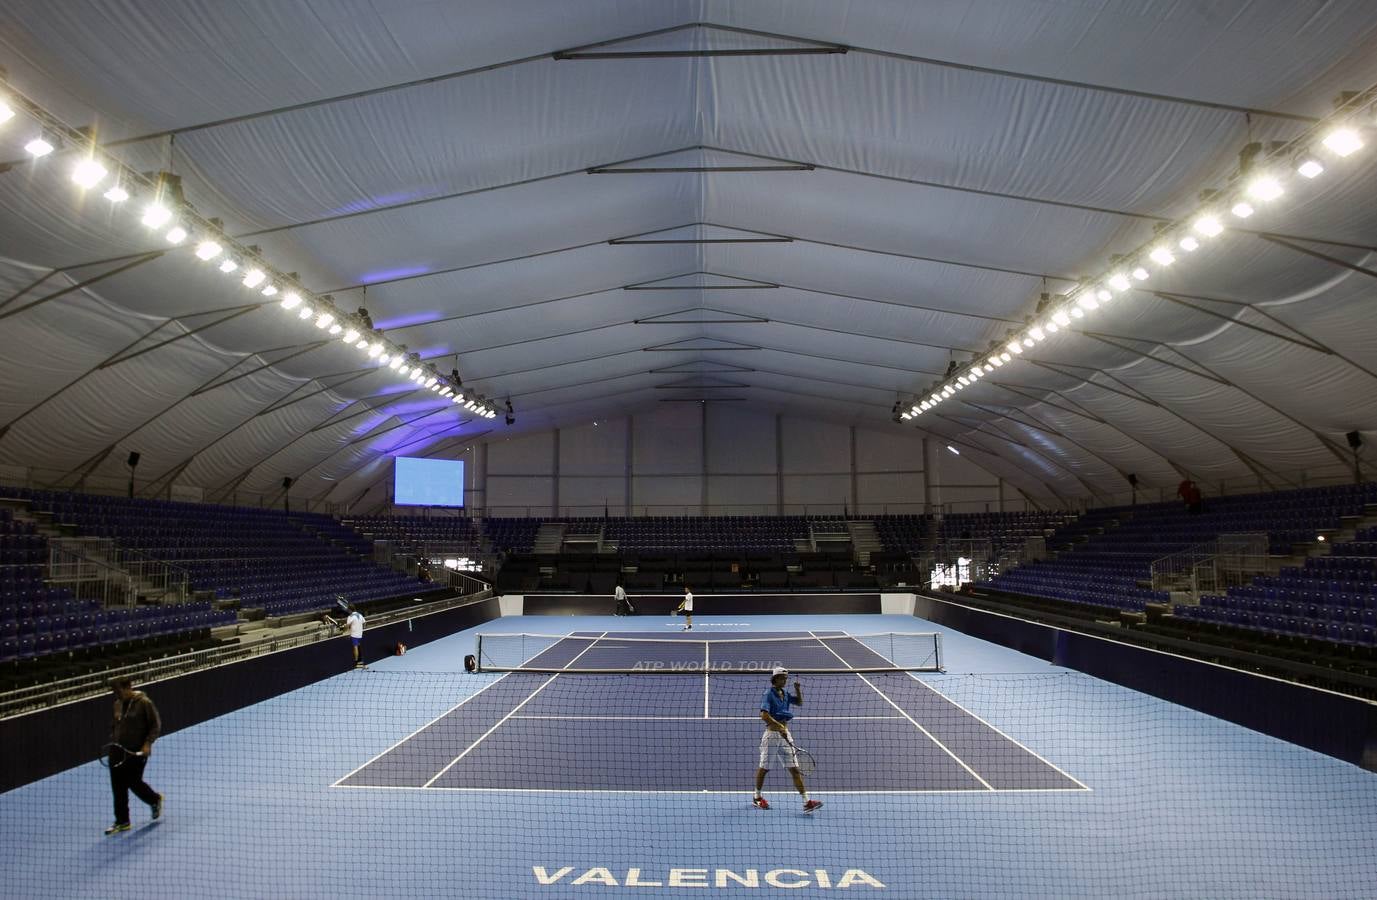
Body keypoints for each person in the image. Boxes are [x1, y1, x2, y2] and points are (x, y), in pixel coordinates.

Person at [753, 666, 822, 813]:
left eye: (785, 678)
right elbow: (764, 715)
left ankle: (806, 802)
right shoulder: (768, 694)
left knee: (795, 770)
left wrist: (797, 689)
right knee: (764, 769)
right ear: (775, 679)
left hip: (785, 736)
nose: (784, 681)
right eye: (782, 678)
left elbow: (799, 702)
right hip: (771, 736)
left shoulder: (785, 693)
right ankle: (757, 797)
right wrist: (779, 727)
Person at [105, 676, 163, 835]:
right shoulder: (117, 704)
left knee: (133, 782)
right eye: (114, 691)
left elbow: (155, 725)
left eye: (119, 690)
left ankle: (154, 799)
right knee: (117, 787)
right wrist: (116, 718)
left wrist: (147, 744)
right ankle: (122, 821)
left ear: (128, 687)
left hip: (136, 751)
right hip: (117, 751)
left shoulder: (144, 703)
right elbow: (115, 727)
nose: (117, 694)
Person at [343, 604, 366, 668]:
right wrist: (361, 629)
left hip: (354, 634)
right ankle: (360, 661)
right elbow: (364, 623)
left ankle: (356, 663)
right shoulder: (360, 615)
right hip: (360, 634)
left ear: (350, 610)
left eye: (348, 610)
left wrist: (345, 632)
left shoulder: (350, 616)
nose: (347, 611)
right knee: (358, 646)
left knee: (355, 647)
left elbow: (347, 626)